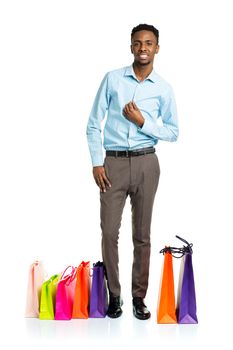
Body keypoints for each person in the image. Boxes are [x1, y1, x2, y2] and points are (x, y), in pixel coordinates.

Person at [86, 23, 179, 320]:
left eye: (149, 43)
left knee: (142, 234)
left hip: (146, 164)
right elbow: (92, 124)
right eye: (138, 43)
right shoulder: (112, 80)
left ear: (157, 48)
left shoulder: (164, 89)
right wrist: (97, 162)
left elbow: (173, 132)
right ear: (131, 46)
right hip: (111, 163)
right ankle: (115, 295)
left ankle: (139, 297)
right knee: (109, 231)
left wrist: (142, 122)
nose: (143, 48)